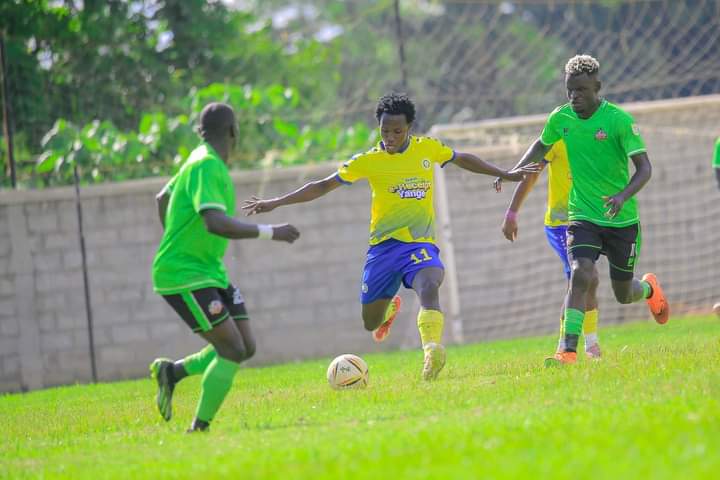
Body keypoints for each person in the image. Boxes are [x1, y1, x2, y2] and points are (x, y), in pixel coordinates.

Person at [242, 93, 538, 380]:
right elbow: (321, 186)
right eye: (385, 131)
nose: (391, 137)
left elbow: (462, 158)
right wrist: (275, 202)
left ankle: (432, 351)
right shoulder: (368, 160)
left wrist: (506, 173)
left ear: (409, 128)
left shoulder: (427, 148)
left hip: (418, 243)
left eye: (398, 130)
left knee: (430, 282)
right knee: (370, 322)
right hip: (382, 249)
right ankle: (389, 310)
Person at [508, 54, 669, 366]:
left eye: (581, 90)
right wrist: (513, 170)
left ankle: (649, 288)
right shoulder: (561, 119)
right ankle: (567, 350)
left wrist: (622, 196)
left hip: (621, 220)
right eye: (570, 90)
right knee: (581, 273)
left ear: (597, 87)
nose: (575, 97)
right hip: (582, 216)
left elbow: (645, 168)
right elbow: (540, 147)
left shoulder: (619, 121)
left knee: (624, 293)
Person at [149, 102, 300, 432]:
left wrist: (181, 241)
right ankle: (198, 429)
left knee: (245, 346)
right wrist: (271, 232)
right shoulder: (208, 166)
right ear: (234, 132)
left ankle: (171, 373)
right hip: (184, 274)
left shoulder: (196, 159)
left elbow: (162, 198)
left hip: (207, 270)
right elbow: (215, 222)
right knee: (231, 348)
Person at [495, 139, 602, 358]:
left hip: (591, 220)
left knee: (593, 281)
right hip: (561, 224)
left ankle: (646, 289)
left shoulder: (601, 132)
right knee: (583, 274)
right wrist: (511, 214)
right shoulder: (558, 134)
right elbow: (532, 173)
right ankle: (576, 348)